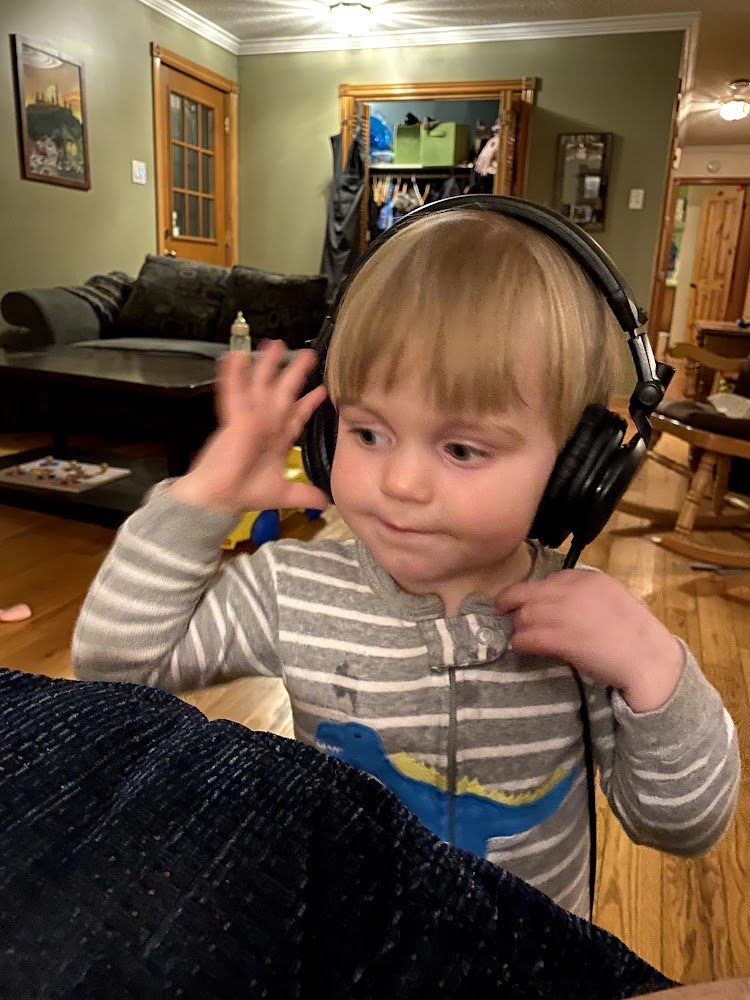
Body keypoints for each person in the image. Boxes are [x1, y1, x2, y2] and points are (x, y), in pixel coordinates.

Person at [73, 199, 740, 920]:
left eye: (462, 448)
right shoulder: (290, 590)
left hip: (525, 956)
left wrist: (653, 667)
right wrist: (201, 497)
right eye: (368, 433)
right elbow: (116, 667)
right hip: (350, 943)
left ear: (576, 468)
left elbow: (683, 826)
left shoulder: (586, 628)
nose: (401, 483)